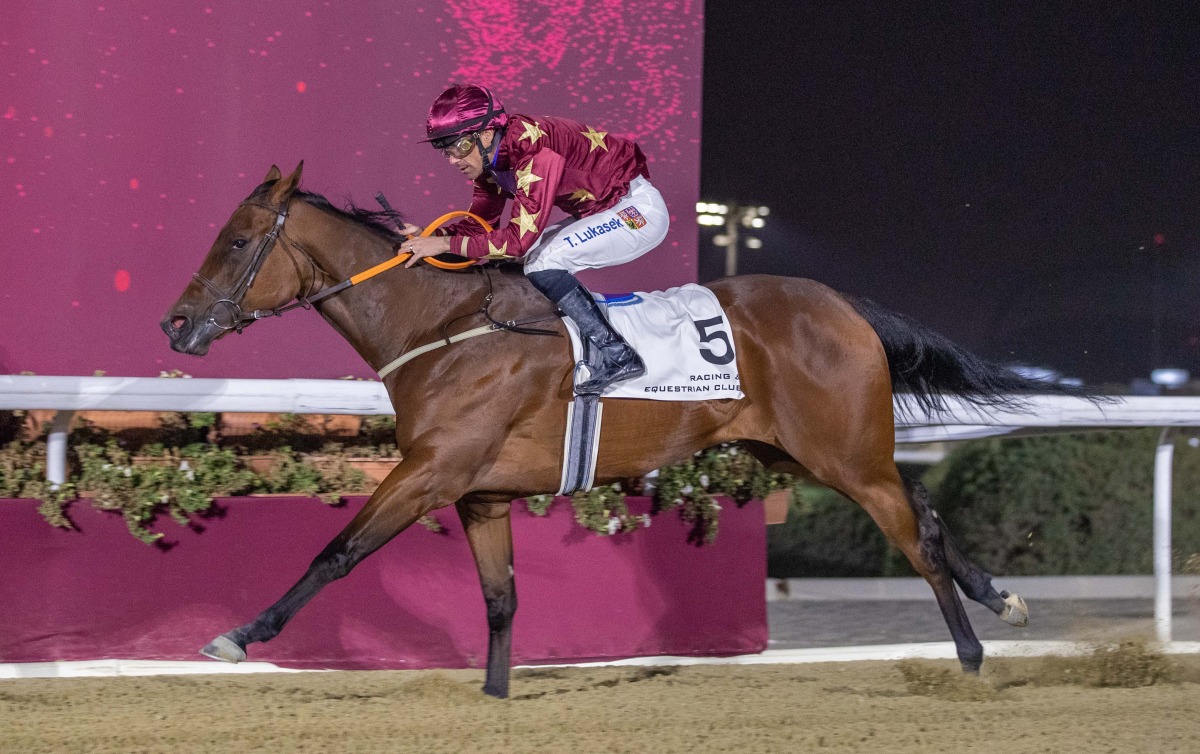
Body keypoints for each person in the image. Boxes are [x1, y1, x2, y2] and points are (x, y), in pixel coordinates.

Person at [399, 84, 670, 395]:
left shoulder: (534, 149)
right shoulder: (492, 161)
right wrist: (431, 238)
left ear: (486, 134)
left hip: (637, 212)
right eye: (445, 151)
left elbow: (517, 242)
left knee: (541, 262)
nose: (452, 160)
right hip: (603, 211)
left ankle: (618, 355)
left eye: (459, 147)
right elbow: (480, 230)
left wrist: (444, 244)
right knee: (529, 263)